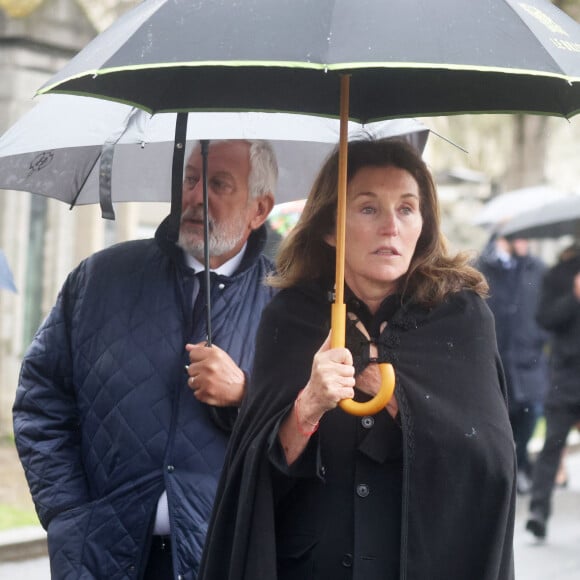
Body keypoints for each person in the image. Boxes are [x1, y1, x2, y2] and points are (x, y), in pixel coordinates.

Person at [199, 138, 516, 580]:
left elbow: (490, 465)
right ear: (331, 228)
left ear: (423, 224)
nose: (391, 226)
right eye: (368, 208)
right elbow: (257, 479)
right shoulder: (291, 317)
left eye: (406, 208)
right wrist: (308, 405)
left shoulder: (460, 317)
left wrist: (400, 401)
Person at [12, 139, 278, 579]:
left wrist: (247, 395)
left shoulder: (289, 305)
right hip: (103, 558)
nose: (195, 197)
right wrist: (68, 513)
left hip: (225, 561)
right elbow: (40, 401)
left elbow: (310, 434)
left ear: (259, 208)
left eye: (218, 184)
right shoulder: (98, 280)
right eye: (190, 180)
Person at [476, 235, 549, 495]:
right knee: (499, 423)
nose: (526, 241)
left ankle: (520, 467)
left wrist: (539, 337)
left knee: (530, 417)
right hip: (494, 360)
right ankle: (508, 474)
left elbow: (547, 310)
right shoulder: (482, 267)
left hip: (529, 360)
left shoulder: (537, 269)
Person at [526, 241, 580, 540]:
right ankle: (538, 512)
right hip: (567, 377)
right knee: (552, 446)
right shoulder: (559, 275)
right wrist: (574, 297)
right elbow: (544, 318)